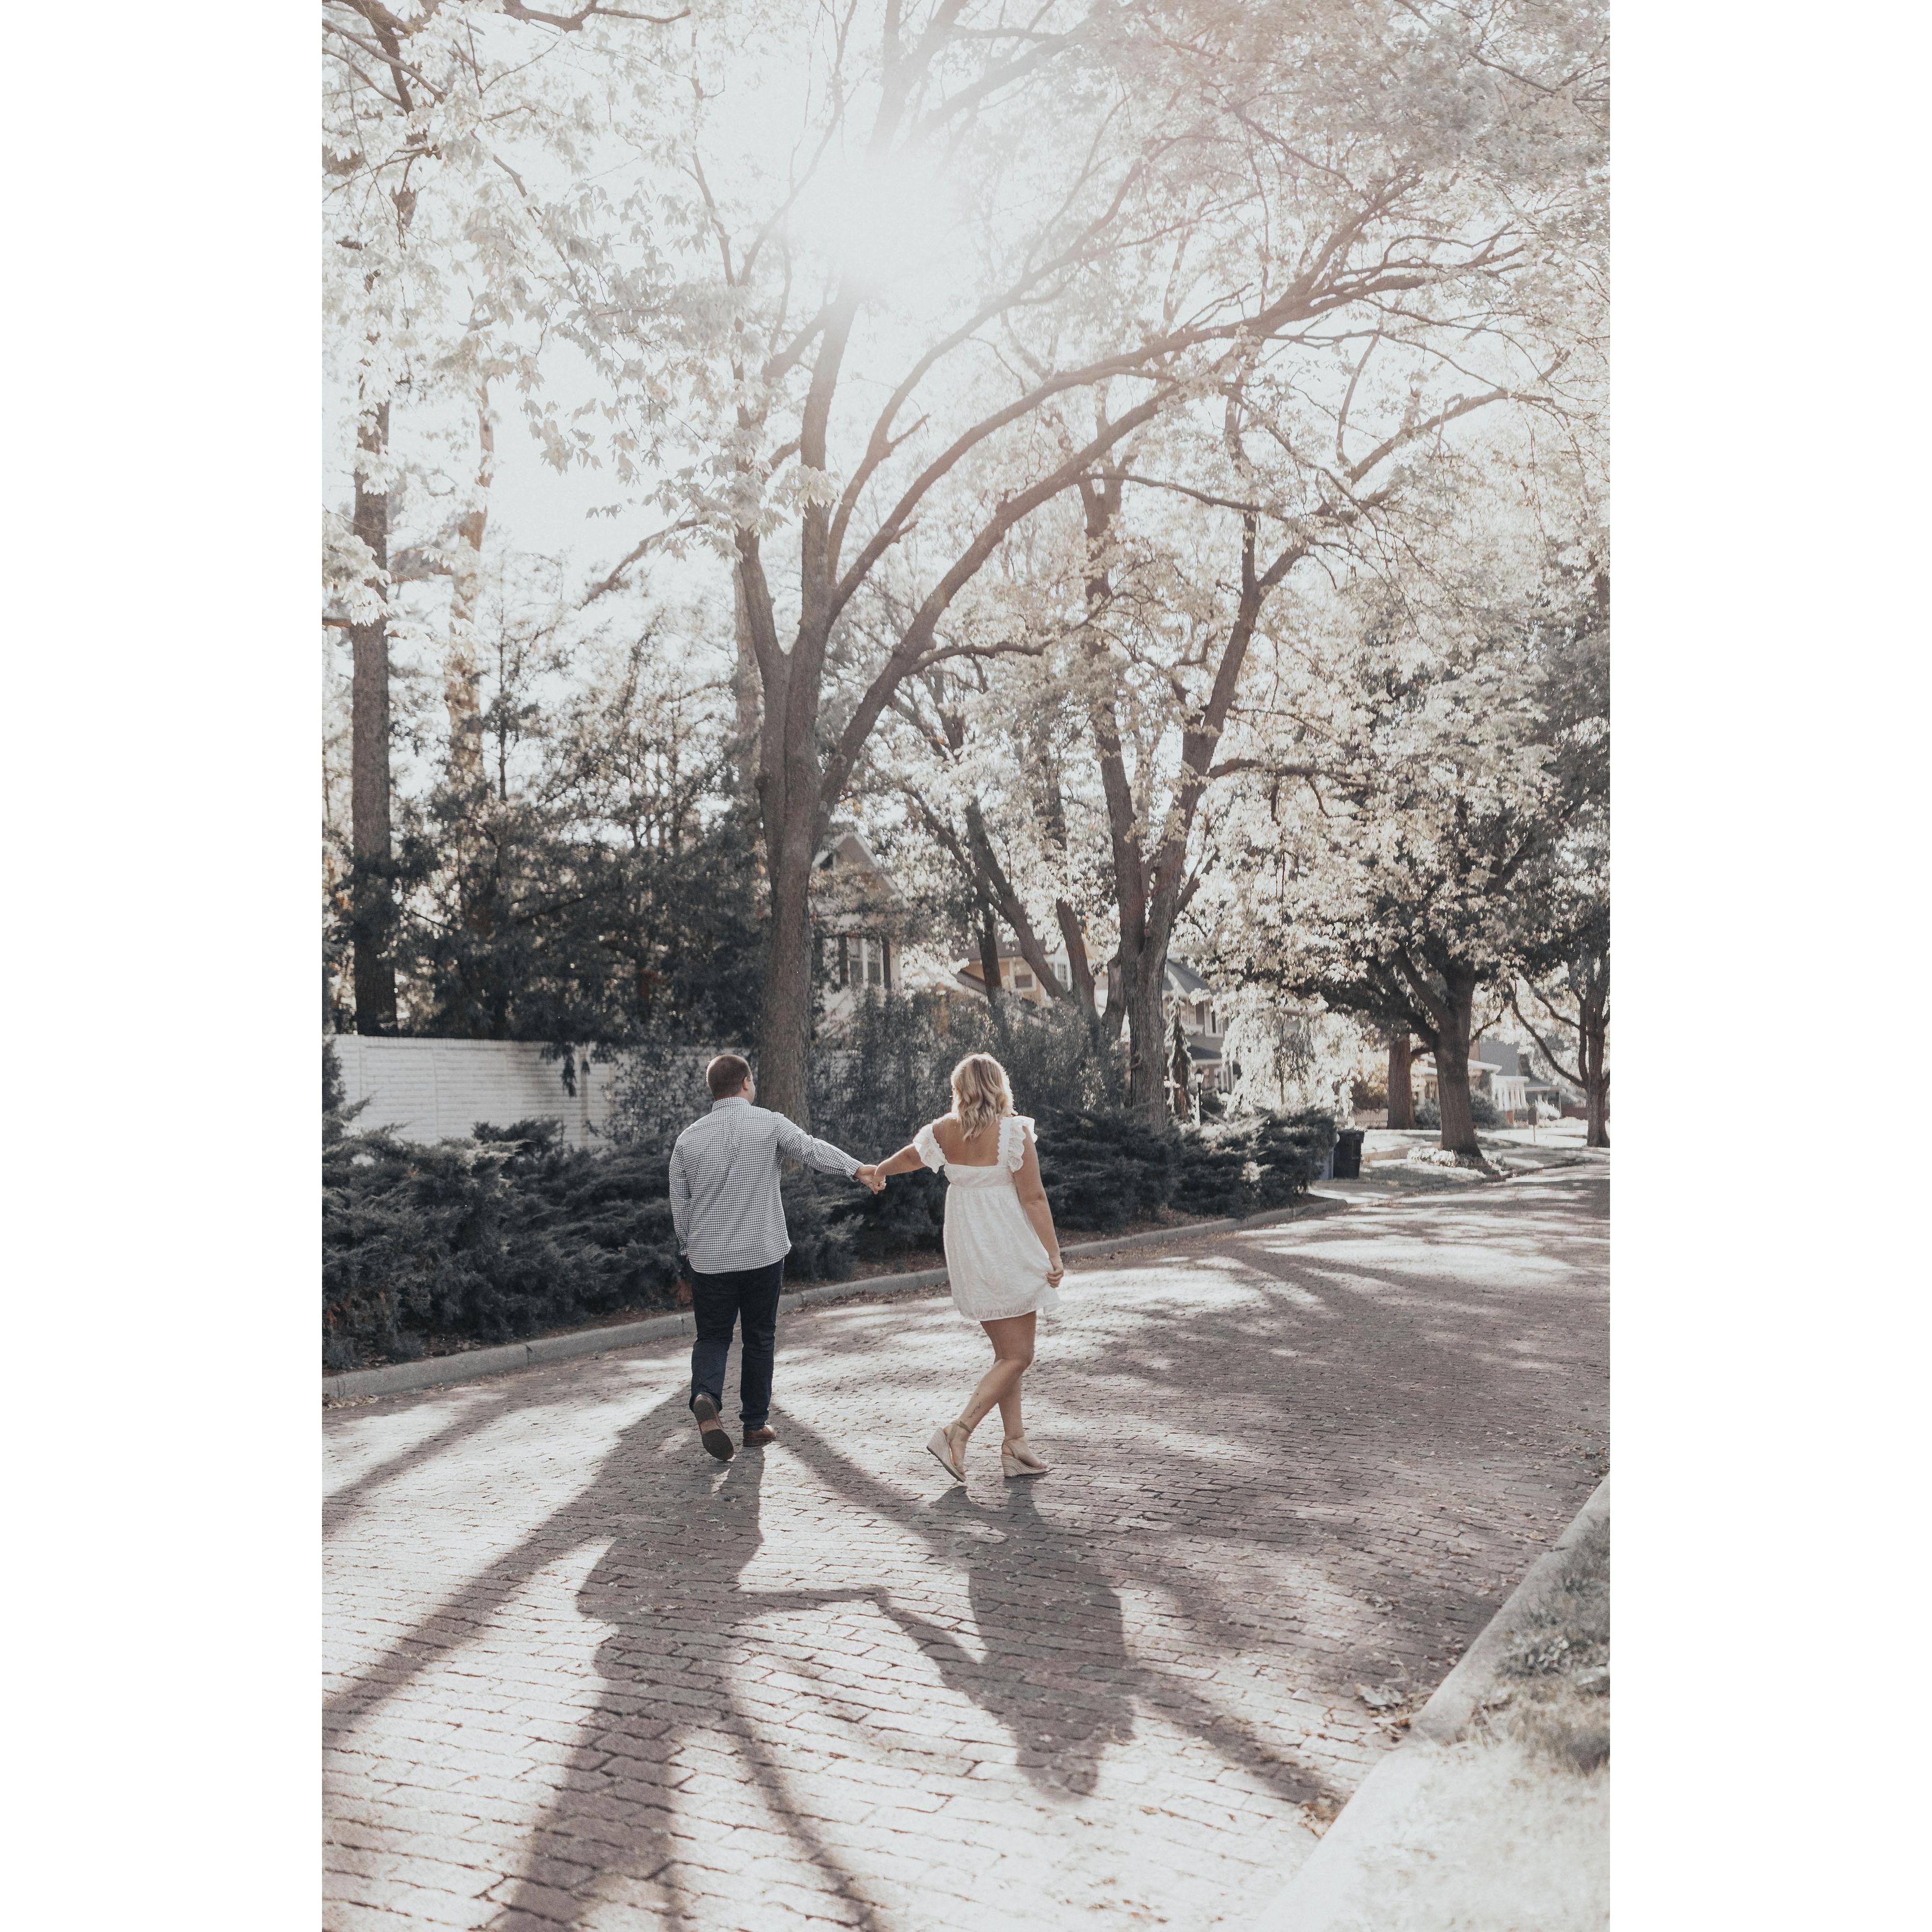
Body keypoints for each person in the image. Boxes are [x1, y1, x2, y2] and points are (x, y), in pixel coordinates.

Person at [668, 1053, 883, 1461]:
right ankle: (754, 1425)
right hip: (762, 1254)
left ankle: (705, 1396)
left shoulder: (688, 1140)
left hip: (710, 1260)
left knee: (712, 1337)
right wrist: (858, 1170)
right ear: (745, 1083)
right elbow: (812, 1150)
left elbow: (680, 1203)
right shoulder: (769, 1123)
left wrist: (688, 1247)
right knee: (759, 1337)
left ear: (713, 1089)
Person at [869, 1053, 1065, 1483]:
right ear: (999, 1086)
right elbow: (1034, 1198)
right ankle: (956, 1432)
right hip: (1008, 1245)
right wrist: (1054, 1255)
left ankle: (1015, 1446)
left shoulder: (943, 1131)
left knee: (1006, 1355)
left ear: (960, 1090)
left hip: (968, 1248)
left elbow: (911, 1157)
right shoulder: (1014, 1132)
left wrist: (879, 1171)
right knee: (1019, 1355)